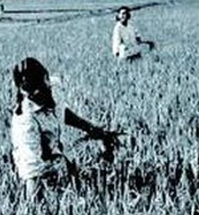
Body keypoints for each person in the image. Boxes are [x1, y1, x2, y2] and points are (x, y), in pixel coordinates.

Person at [11, 58, 119, 200]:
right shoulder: (25, 122)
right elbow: (32, 169)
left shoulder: (53, 87)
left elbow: (61, 111)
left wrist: (91, 128)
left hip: (59, 158)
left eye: (42, 88)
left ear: (46, 78)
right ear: (25, 93)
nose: (38, 96)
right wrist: (33, 207)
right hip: (43, 171)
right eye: (32, 94)